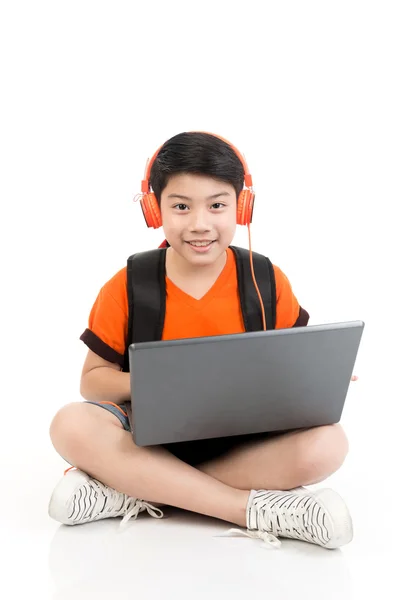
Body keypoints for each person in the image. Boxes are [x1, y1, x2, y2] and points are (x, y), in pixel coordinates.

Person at [48, 131, 355, 549]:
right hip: (146, 436)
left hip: (242, 444)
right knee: (71, 423)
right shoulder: (128, 285)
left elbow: (291, 364)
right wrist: (169, 382)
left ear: (241, 207)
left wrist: (318, 376)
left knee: (329, 444)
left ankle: (127, 489)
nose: (199, 224)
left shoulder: (265, 280)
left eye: (217, 205)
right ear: (155, 210)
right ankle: (254, 509)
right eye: (180, 206)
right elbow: (93, 382)